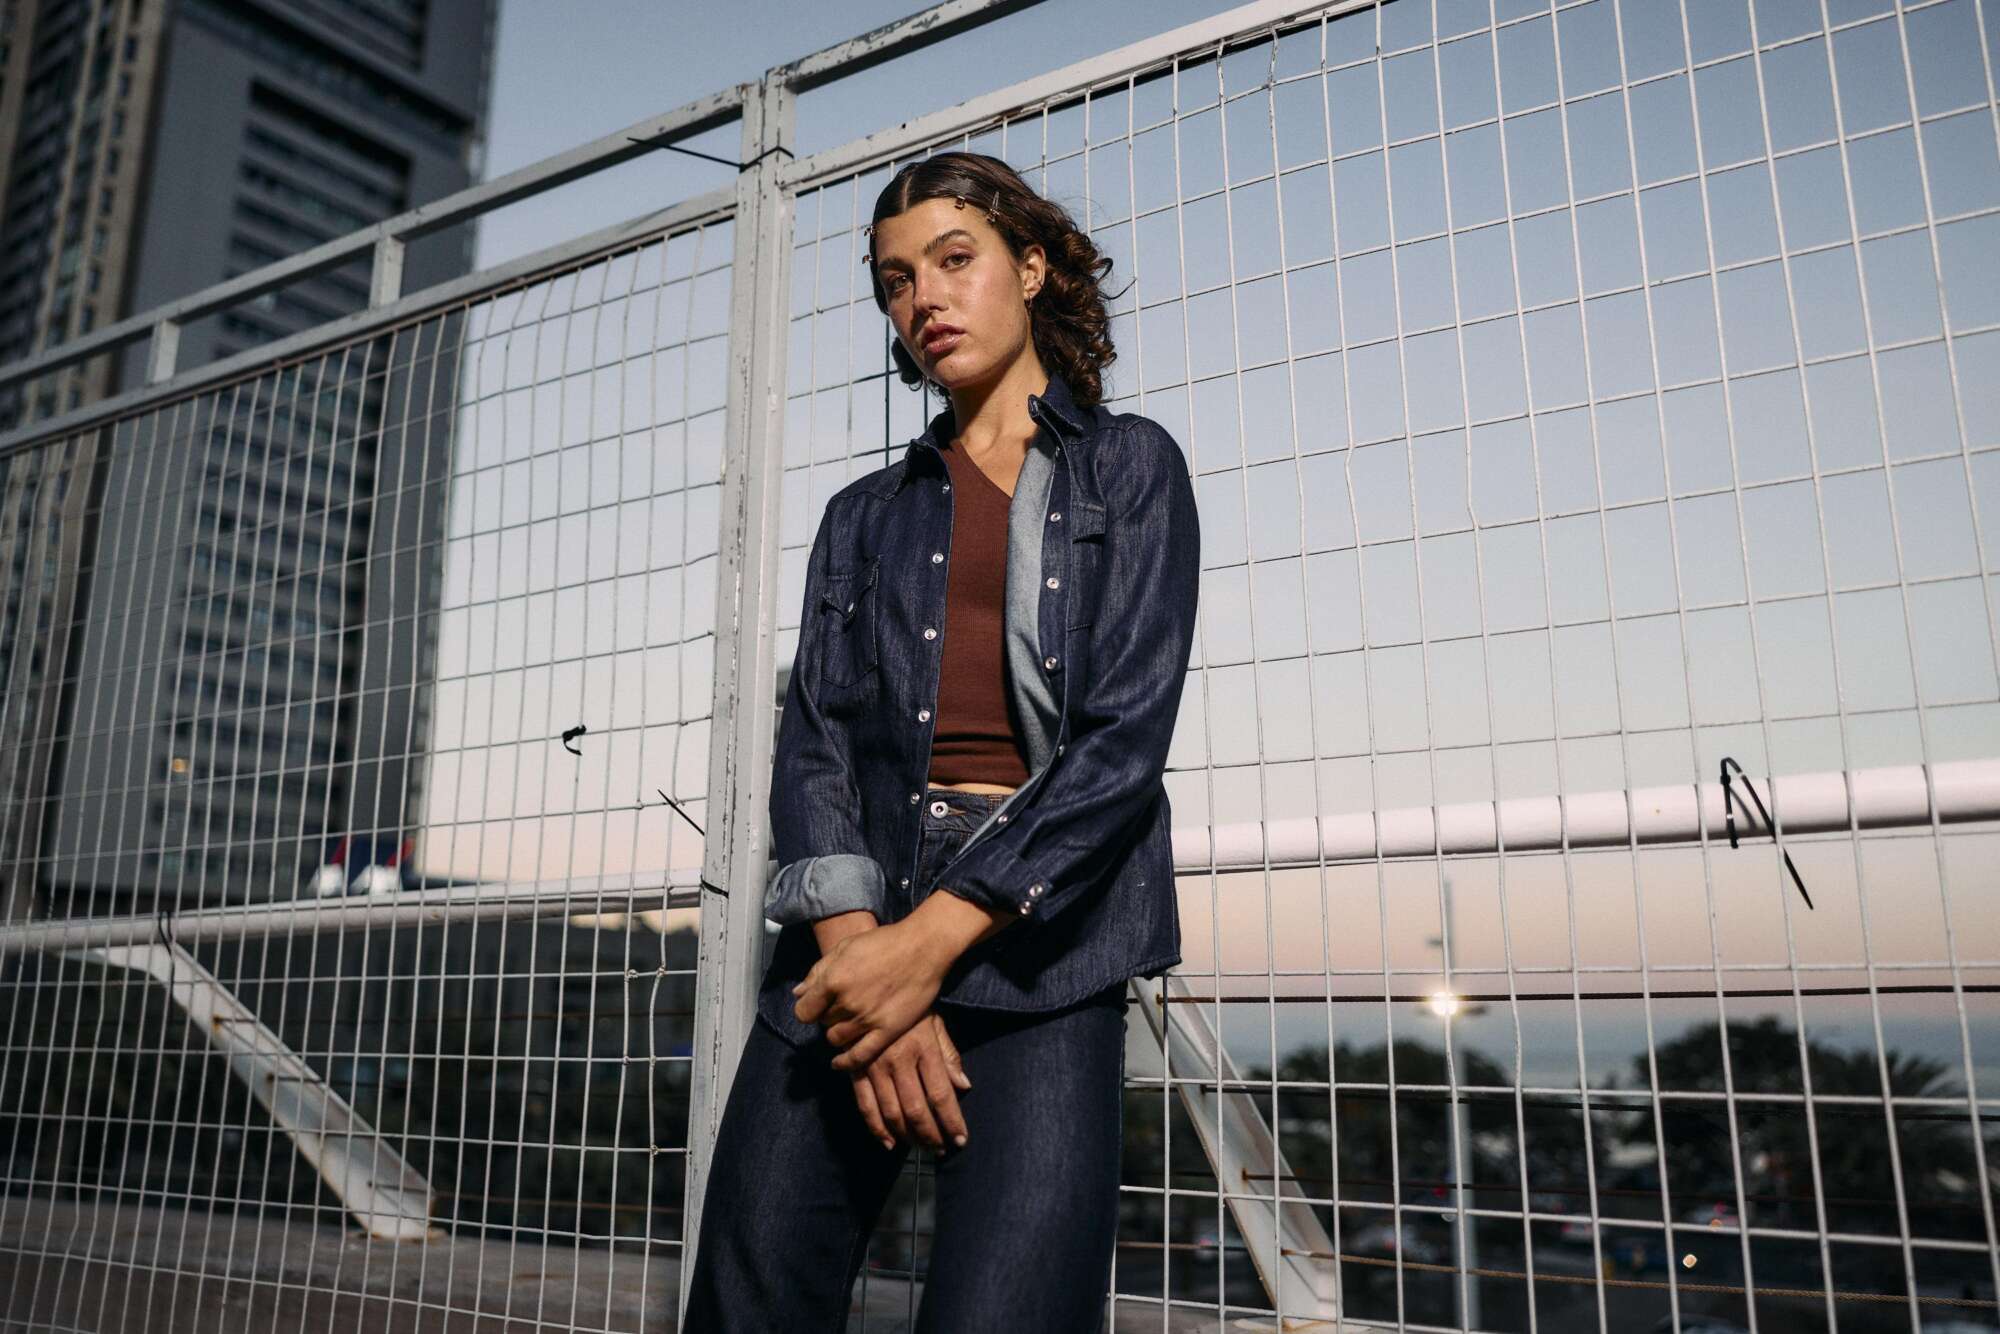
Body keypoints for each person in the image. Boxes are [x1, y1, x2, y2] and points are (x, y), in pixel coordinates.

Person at [681, 150, 1201, 1333]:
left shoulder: (1131, 471)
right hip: (851, 930)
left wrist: (933, 943)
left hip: (1042, 946)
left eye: (954, 260)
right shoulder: (859, 517)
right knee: (748, 1293)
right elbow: (813, 742)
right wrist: (873, 959)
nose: (923, 298)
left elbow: (1123, 741)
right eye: (894, 280)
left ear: (1029, 268)